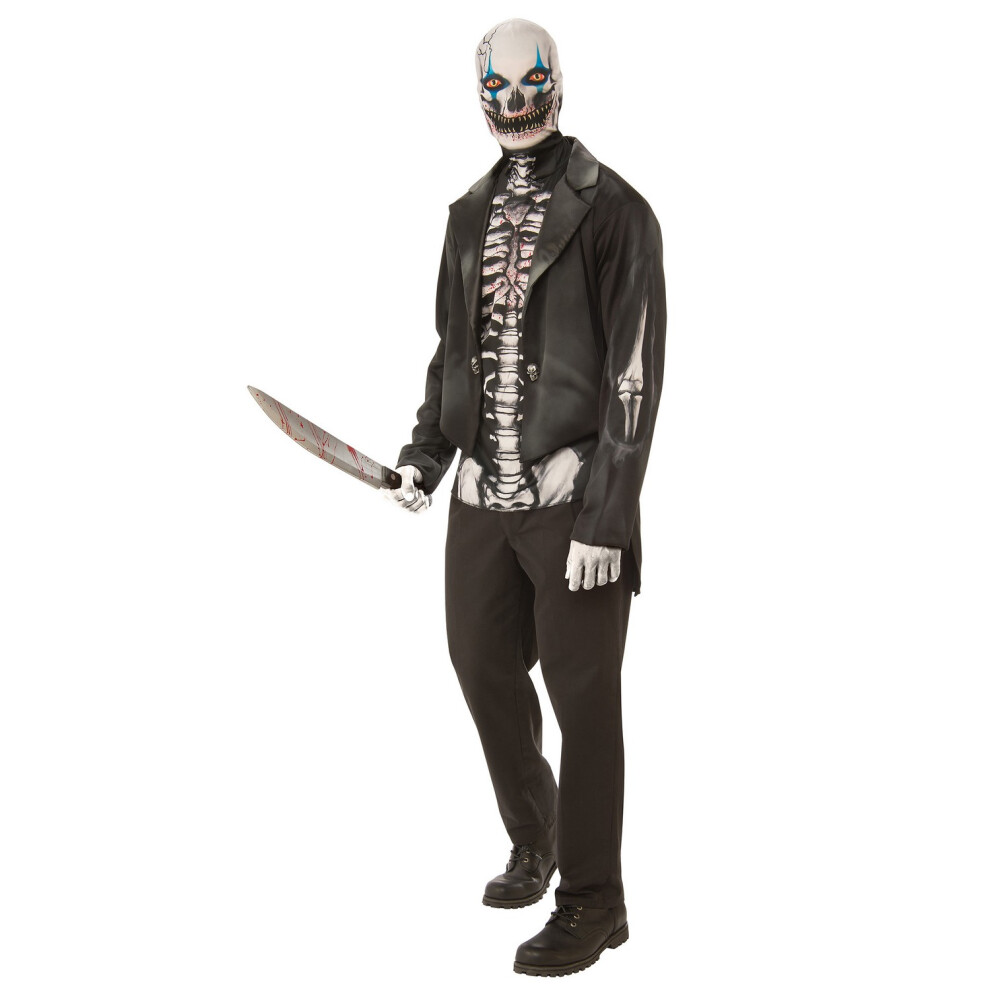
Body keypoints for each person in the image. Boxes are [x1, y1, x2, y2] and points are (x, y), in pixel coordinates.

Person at [384, 17, 666, 978]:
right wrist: (426, 456)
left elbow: (634, 375)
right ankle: (535, 836)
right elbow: (452, 353)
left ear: (558, 83)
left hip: (573, 501)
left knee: (585, 700)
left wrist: (608, 515)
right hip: (480, 497)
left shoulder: (618, 211)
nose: (514, 103)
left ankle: (595, 899)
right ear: (477, 94)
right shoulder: (467, 215)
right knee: (479, 666)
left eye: (529, 81)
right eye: (496, 87)